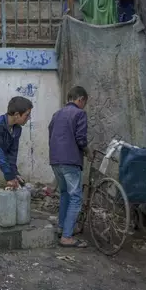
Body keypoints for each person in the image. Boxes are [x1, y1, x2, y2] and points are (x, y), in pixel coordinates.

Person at [48, 86, 90, 248]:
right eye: (84, 102)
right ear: (80, 99)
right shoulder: (79, 114)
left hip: (55, 160)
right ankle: (66, 236)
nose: (84, 106)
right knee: (75, 197)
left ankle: (62, 228)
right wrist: (87, 151)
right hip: (70, 161)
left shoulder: (57, 114)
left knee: (65, 194)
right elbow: (81, 139)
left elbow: (51, 135)